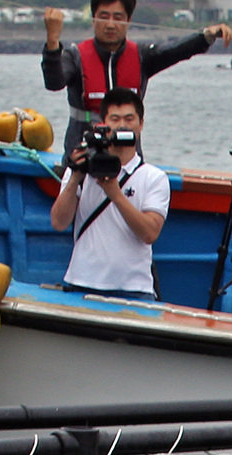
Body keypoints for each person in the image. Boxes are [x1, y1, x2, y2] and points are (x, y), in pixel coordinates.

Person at [42, 0, 232, 161]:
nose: (110, 24)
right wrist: (52, 41)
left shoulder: (143, 56)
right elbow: (54, 82)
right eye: (103, 16)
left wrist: (206, 36)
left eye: (118, 18)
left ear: (128, 20)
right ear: (93, 19)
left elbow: (176, 50)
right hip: (82, 156)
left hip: (128, 159)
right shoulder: (74, 56)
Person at [50, 87, 169, 300]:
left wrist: (115, 193)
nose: (122, 125)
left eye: (129, 119)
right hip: (81, 283)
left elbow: (150, 233)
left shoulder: (154, 177)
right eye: (115, 119)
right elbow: (59, 222)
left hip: (133, 289)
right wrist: (76, 175)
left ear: (141, 124)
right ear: (103, 124)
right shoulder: (81, 170)